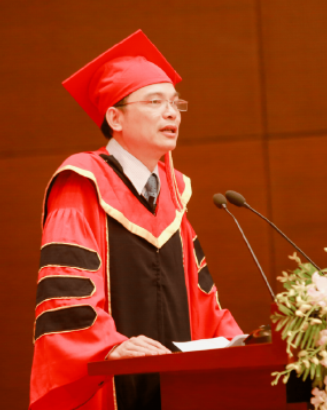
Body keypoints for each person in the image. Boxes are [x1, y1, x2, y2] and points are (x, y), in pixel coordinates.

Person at [29, 30, 242, 410]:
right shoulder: (81, 182)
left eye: (176, 104)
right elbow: (66, 297)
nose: (172, 113)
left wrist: (240, 344)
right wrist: (109, 346)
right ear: (115, 117)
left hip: (178, 388)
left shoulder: (173, 194)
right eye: (155, 101)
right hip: (114, 387)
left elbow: (203, 299)